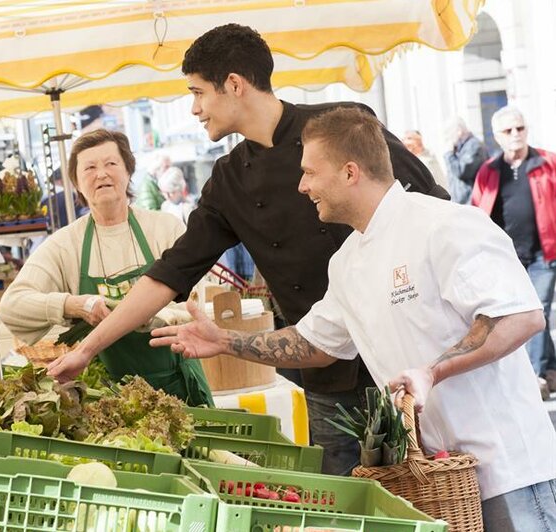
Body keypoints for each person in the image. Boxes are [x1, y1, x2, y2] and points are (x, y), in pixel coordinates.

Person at [47, 23, 446, 476]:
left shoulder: (344, 126)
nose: (195, 108)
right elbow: (170, 273)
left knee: (440, 490)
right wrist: (86, 350)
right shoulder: (230, 181)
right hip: (326, 373)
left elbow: (430, 207)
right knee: (347, 501)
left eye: (198, 92)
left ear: (233, 84)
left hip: (408, 360)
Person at [150, 107, 556, 530]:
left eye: (309, 172)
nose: (302, 186)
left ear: (349, 172)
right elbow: (316, 344)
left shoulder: (445, 224)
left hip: (508, 473)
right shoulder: (348, 260)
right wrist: (224, 341)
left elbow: (518, 317)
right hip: (439, 482)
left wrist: (432, 372)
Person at [0, 129, 213, 406]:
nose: (101, 174)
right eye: (89, 168)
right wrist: (74, 304)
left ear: (128, 171)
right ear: (76, 182)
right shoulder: (65, 245)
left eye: (111, 164)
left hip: (178, 386)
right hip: (107, 398)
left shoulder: (165, 228)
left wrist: (153, 315)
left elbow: (196, 303)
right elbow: (12, 306)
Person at [470, 106, 556, 389]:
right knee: (525, 310)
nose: (516, 134)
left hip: (545, 253)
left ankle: (537, 376)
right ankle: (552, 369)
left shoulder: (547, 163)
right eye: (509, 131)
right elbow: (476, 212)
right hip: (508, 258)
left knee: (537, 309)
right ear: (497, 136)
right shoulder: (489, 171)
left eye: (520, 128)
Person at [444, 117, 489, 204]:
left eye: (448, 133)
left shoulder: (473, 146)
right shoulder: (460, 148)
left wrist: (449, 154)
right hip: (461, 205)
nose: (447, 137)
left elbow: (462, 171)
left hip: (471, 204)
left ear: (459, 131)